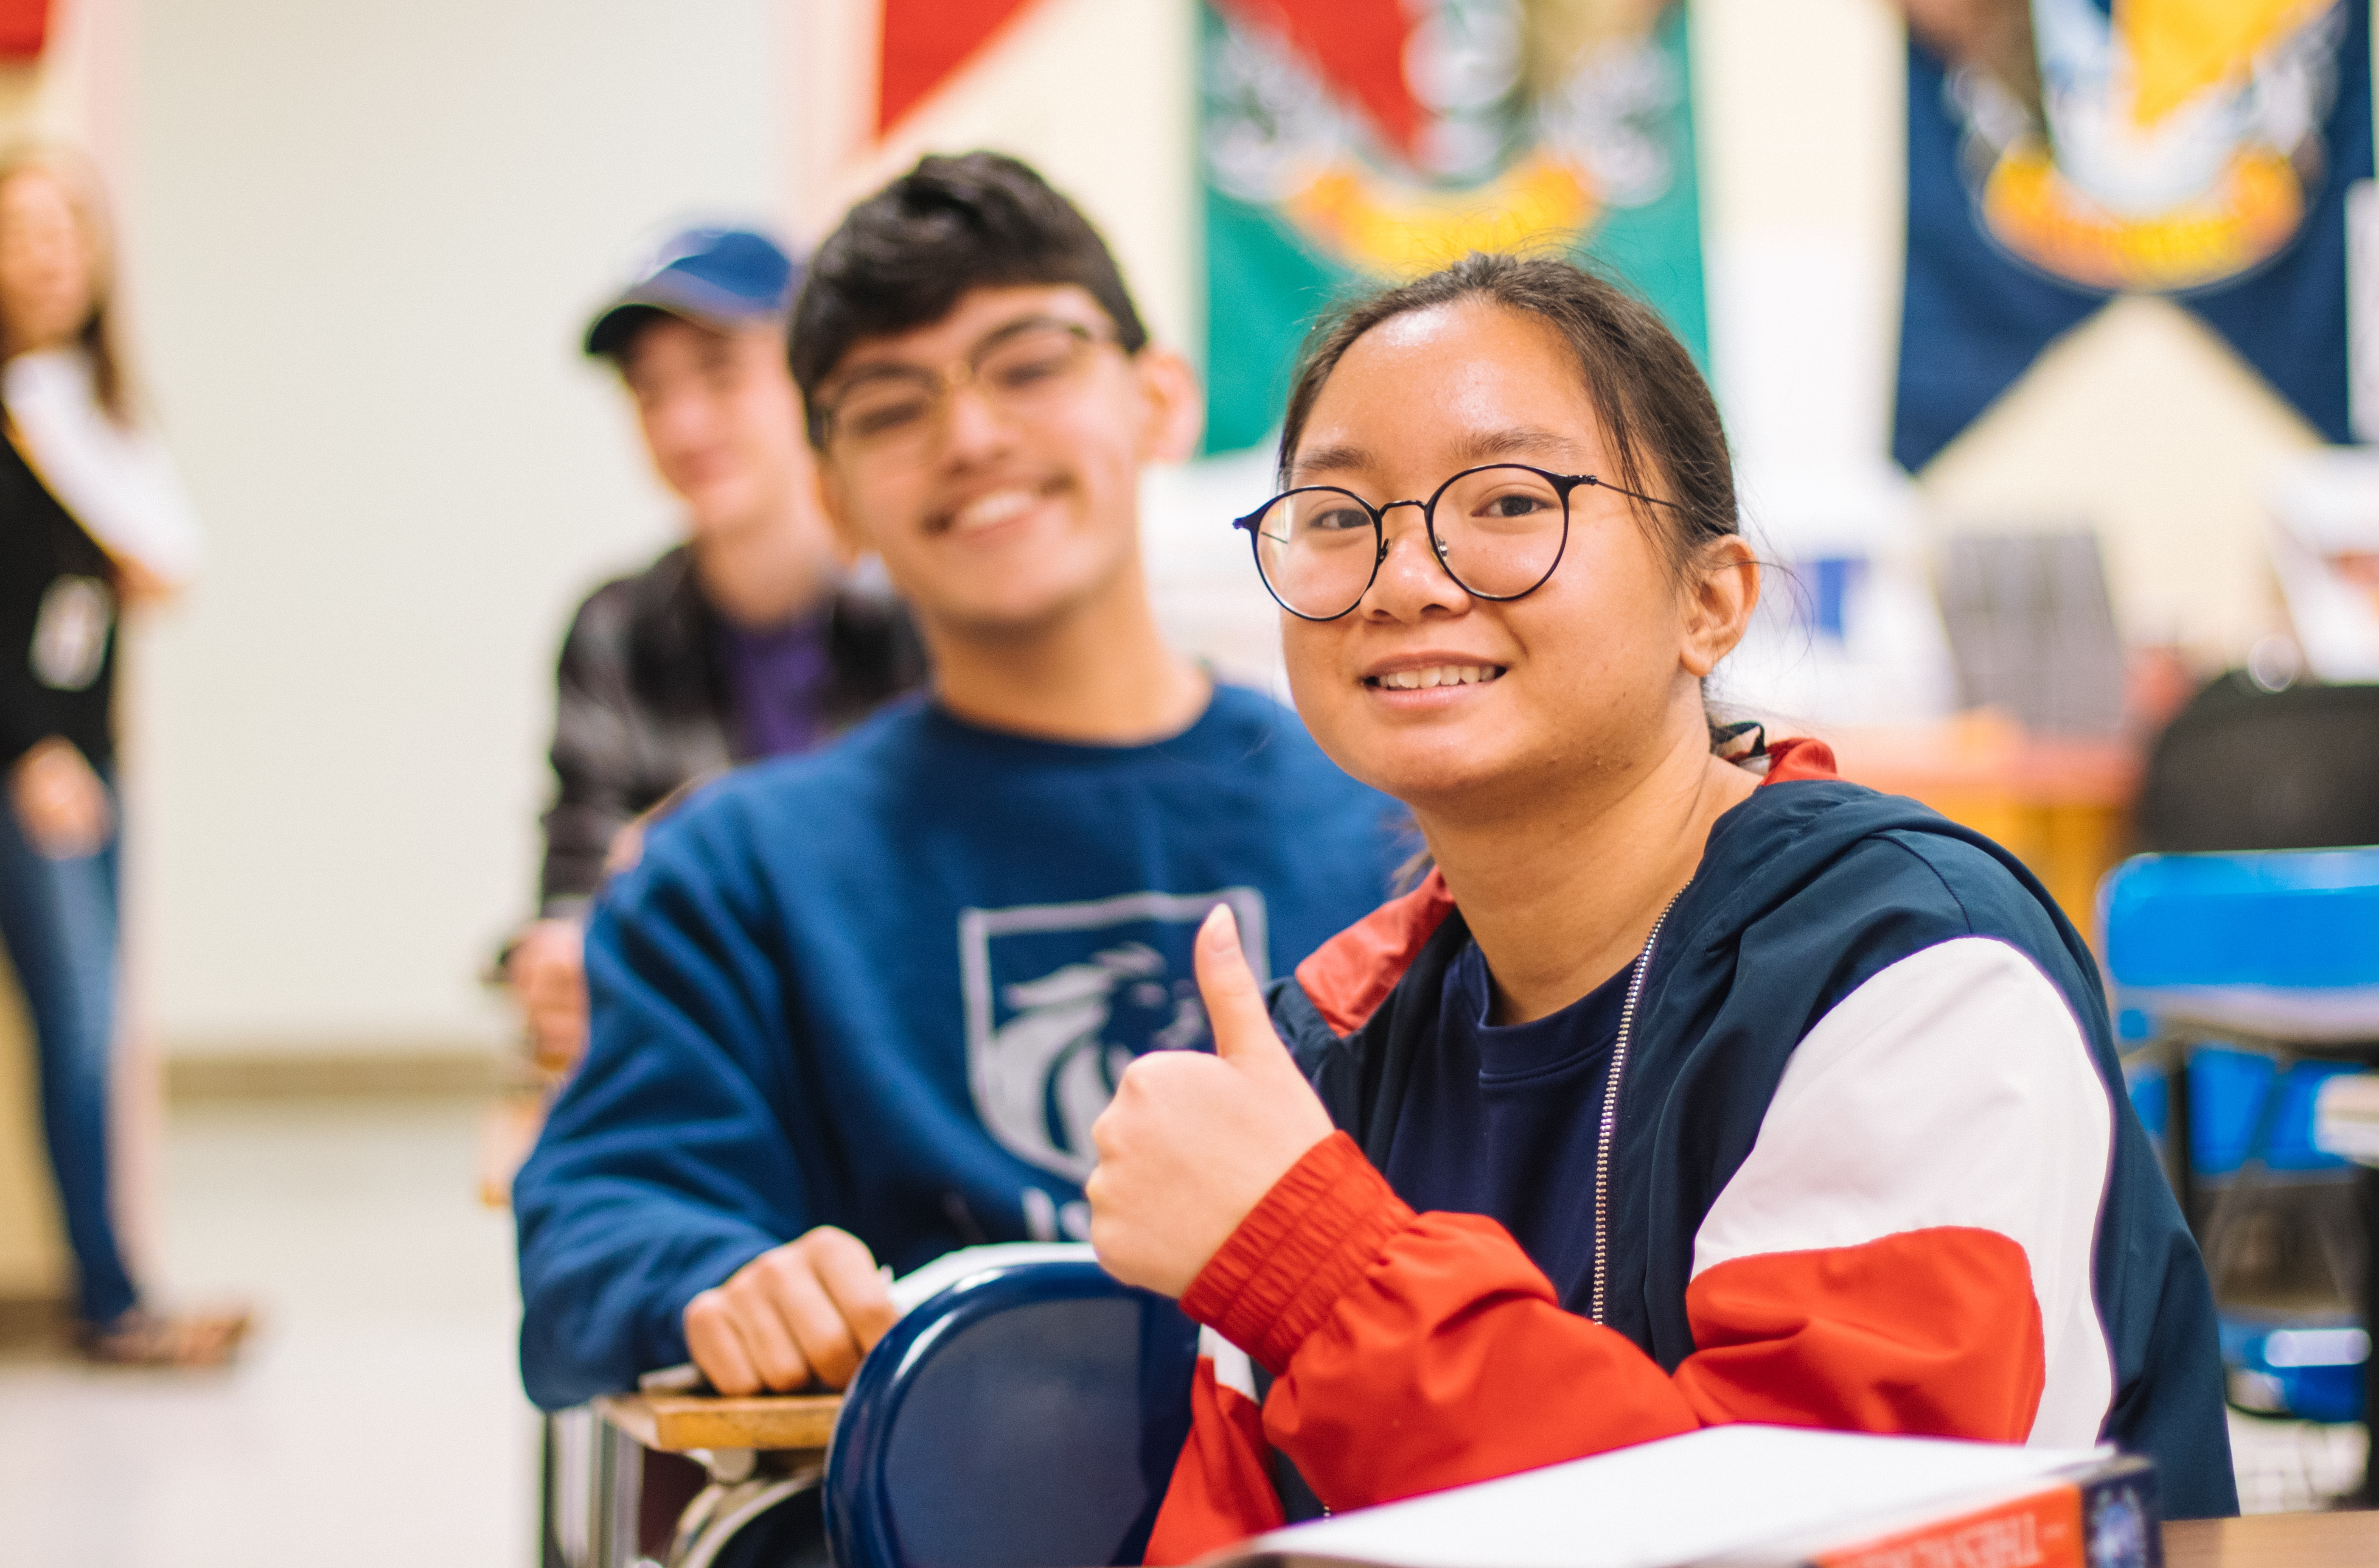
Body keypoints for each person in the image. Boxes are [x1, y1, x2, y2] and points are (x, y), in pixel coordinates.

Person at [1083, 252, 2238, 1551]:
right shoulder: (1321, 1046)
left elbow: (1819, 1539)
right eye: (1340, 517)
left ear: (1710, 601)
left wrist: (1310, 1268)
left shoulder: (1909, 972)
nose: (1403, 581)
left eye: (1509, 500)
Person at [513, 154, 1407, 1413]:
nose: (971, 437)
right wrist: (724, 1282)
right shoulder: (736, 875)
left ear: (1158, 400)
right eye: (887, 408)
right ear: (831, 495)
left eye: (1030, 365)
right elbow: (599, 1222)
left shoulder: (1394, 817)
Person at [505, 227, 925, 1071]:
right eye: (648, 392)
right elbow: (579, 875)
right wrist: (558, 959)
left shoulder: (925, 610)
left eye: (720, 374)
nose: (681, 423)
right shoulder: (611, 628)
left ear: (814, 386)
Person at [0, 144, 243, 1365]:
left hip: (88, 767)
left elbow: (145, 578)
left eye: (63, 234)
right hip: (30, 772)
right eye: (19, 234)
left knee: (90, 1027)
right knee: (82, 1024)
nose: (44, 259)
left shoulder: (91, 417)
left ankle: (118, 1292)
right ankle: (111, 1304)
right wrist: (30, 744)